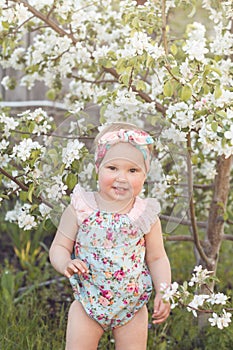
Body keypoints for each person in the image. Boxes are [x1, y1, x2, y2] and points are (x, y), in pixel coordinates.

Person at [49, 122, 171, 350]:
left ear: (145, 175)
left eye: (132, 170)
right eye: (112, 168)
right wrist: (66, 262)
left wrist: (164, 291)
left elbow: (156, 257)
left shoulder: (145, 214)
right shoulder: (81, 207)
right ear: (98, 167)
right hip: (88, 302)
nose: (121, 177)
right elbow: (59, 247)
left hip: (132, 305)